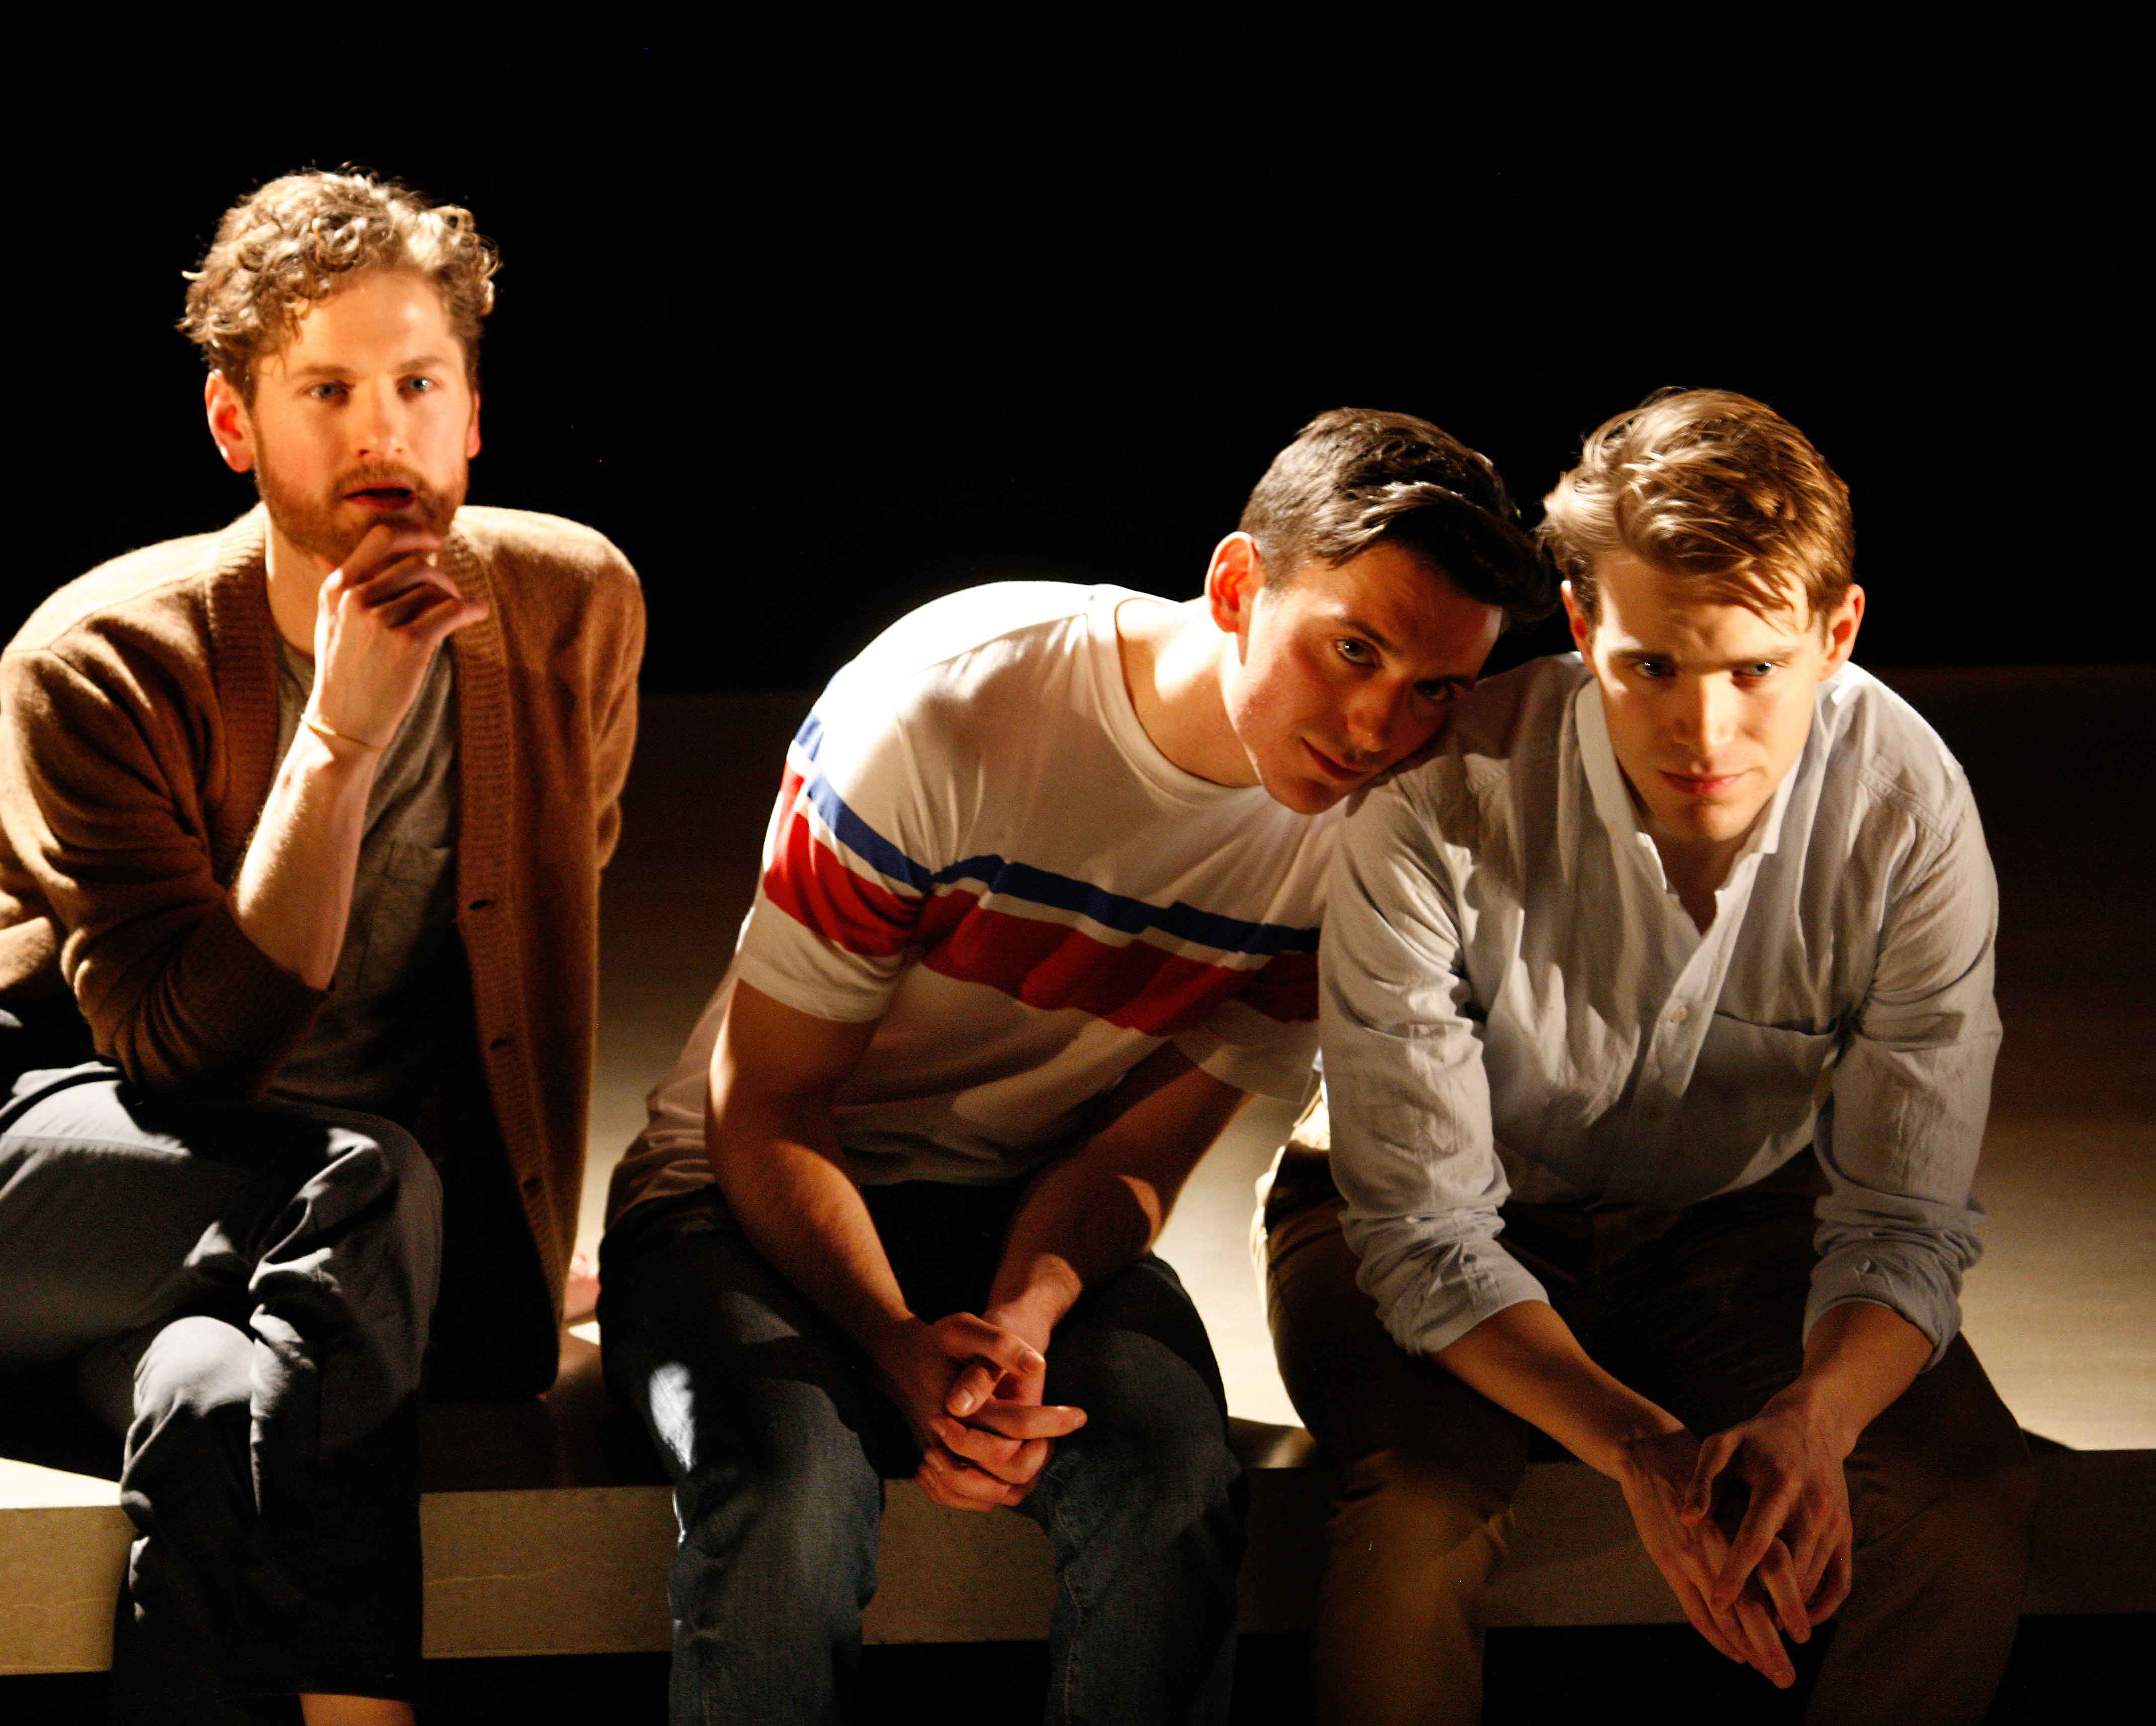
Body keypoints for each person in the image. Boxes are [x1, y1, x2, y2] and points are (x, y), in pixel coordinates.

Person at [0, 169, 644, 1725]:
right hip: (10, 1169)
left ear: (475, 413)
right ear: (235, 424)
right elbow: (193, 1055)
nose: (379, 434)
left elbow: (531, 939)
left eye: (418, 384)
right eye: (324, 390)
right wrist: (334, 743)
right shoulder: (99, 660)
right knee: (368, 1174)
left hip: (300, 1228)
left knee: (213, 1393)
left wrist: (507, 1251)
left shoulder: (571, 606)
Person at [597, 407, 1545, 1723]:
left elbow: (1135, 1153)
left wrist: (1028, 1311)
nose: (1381, 725)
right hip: (737, 1192)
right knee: (792, 1493)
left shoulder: (1376, 840)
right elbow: (764, 1106)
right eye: (1351, 649)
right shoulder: (950, 706)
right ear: (1233, 586)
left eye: (1434, 686)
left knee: (1172, 1482)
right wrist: (891, 1342)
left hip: (1015, 1200)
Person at [1264, 388, 2038, 1725]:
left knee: (1964, 1497)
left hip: (1729, 1215)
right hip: (1404, 1215)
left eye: (1753, 670)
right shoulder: (1436, 800)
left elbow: (1904, 1214)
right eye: (1650, 669)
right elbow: (1421, 1229)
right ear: (1579, 628)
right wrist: (1640, 1445)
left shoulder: (1906, 809)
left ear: (1835, 632)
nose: (1702, 734)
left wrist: (1817, 1417)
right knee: (1421, 1515)